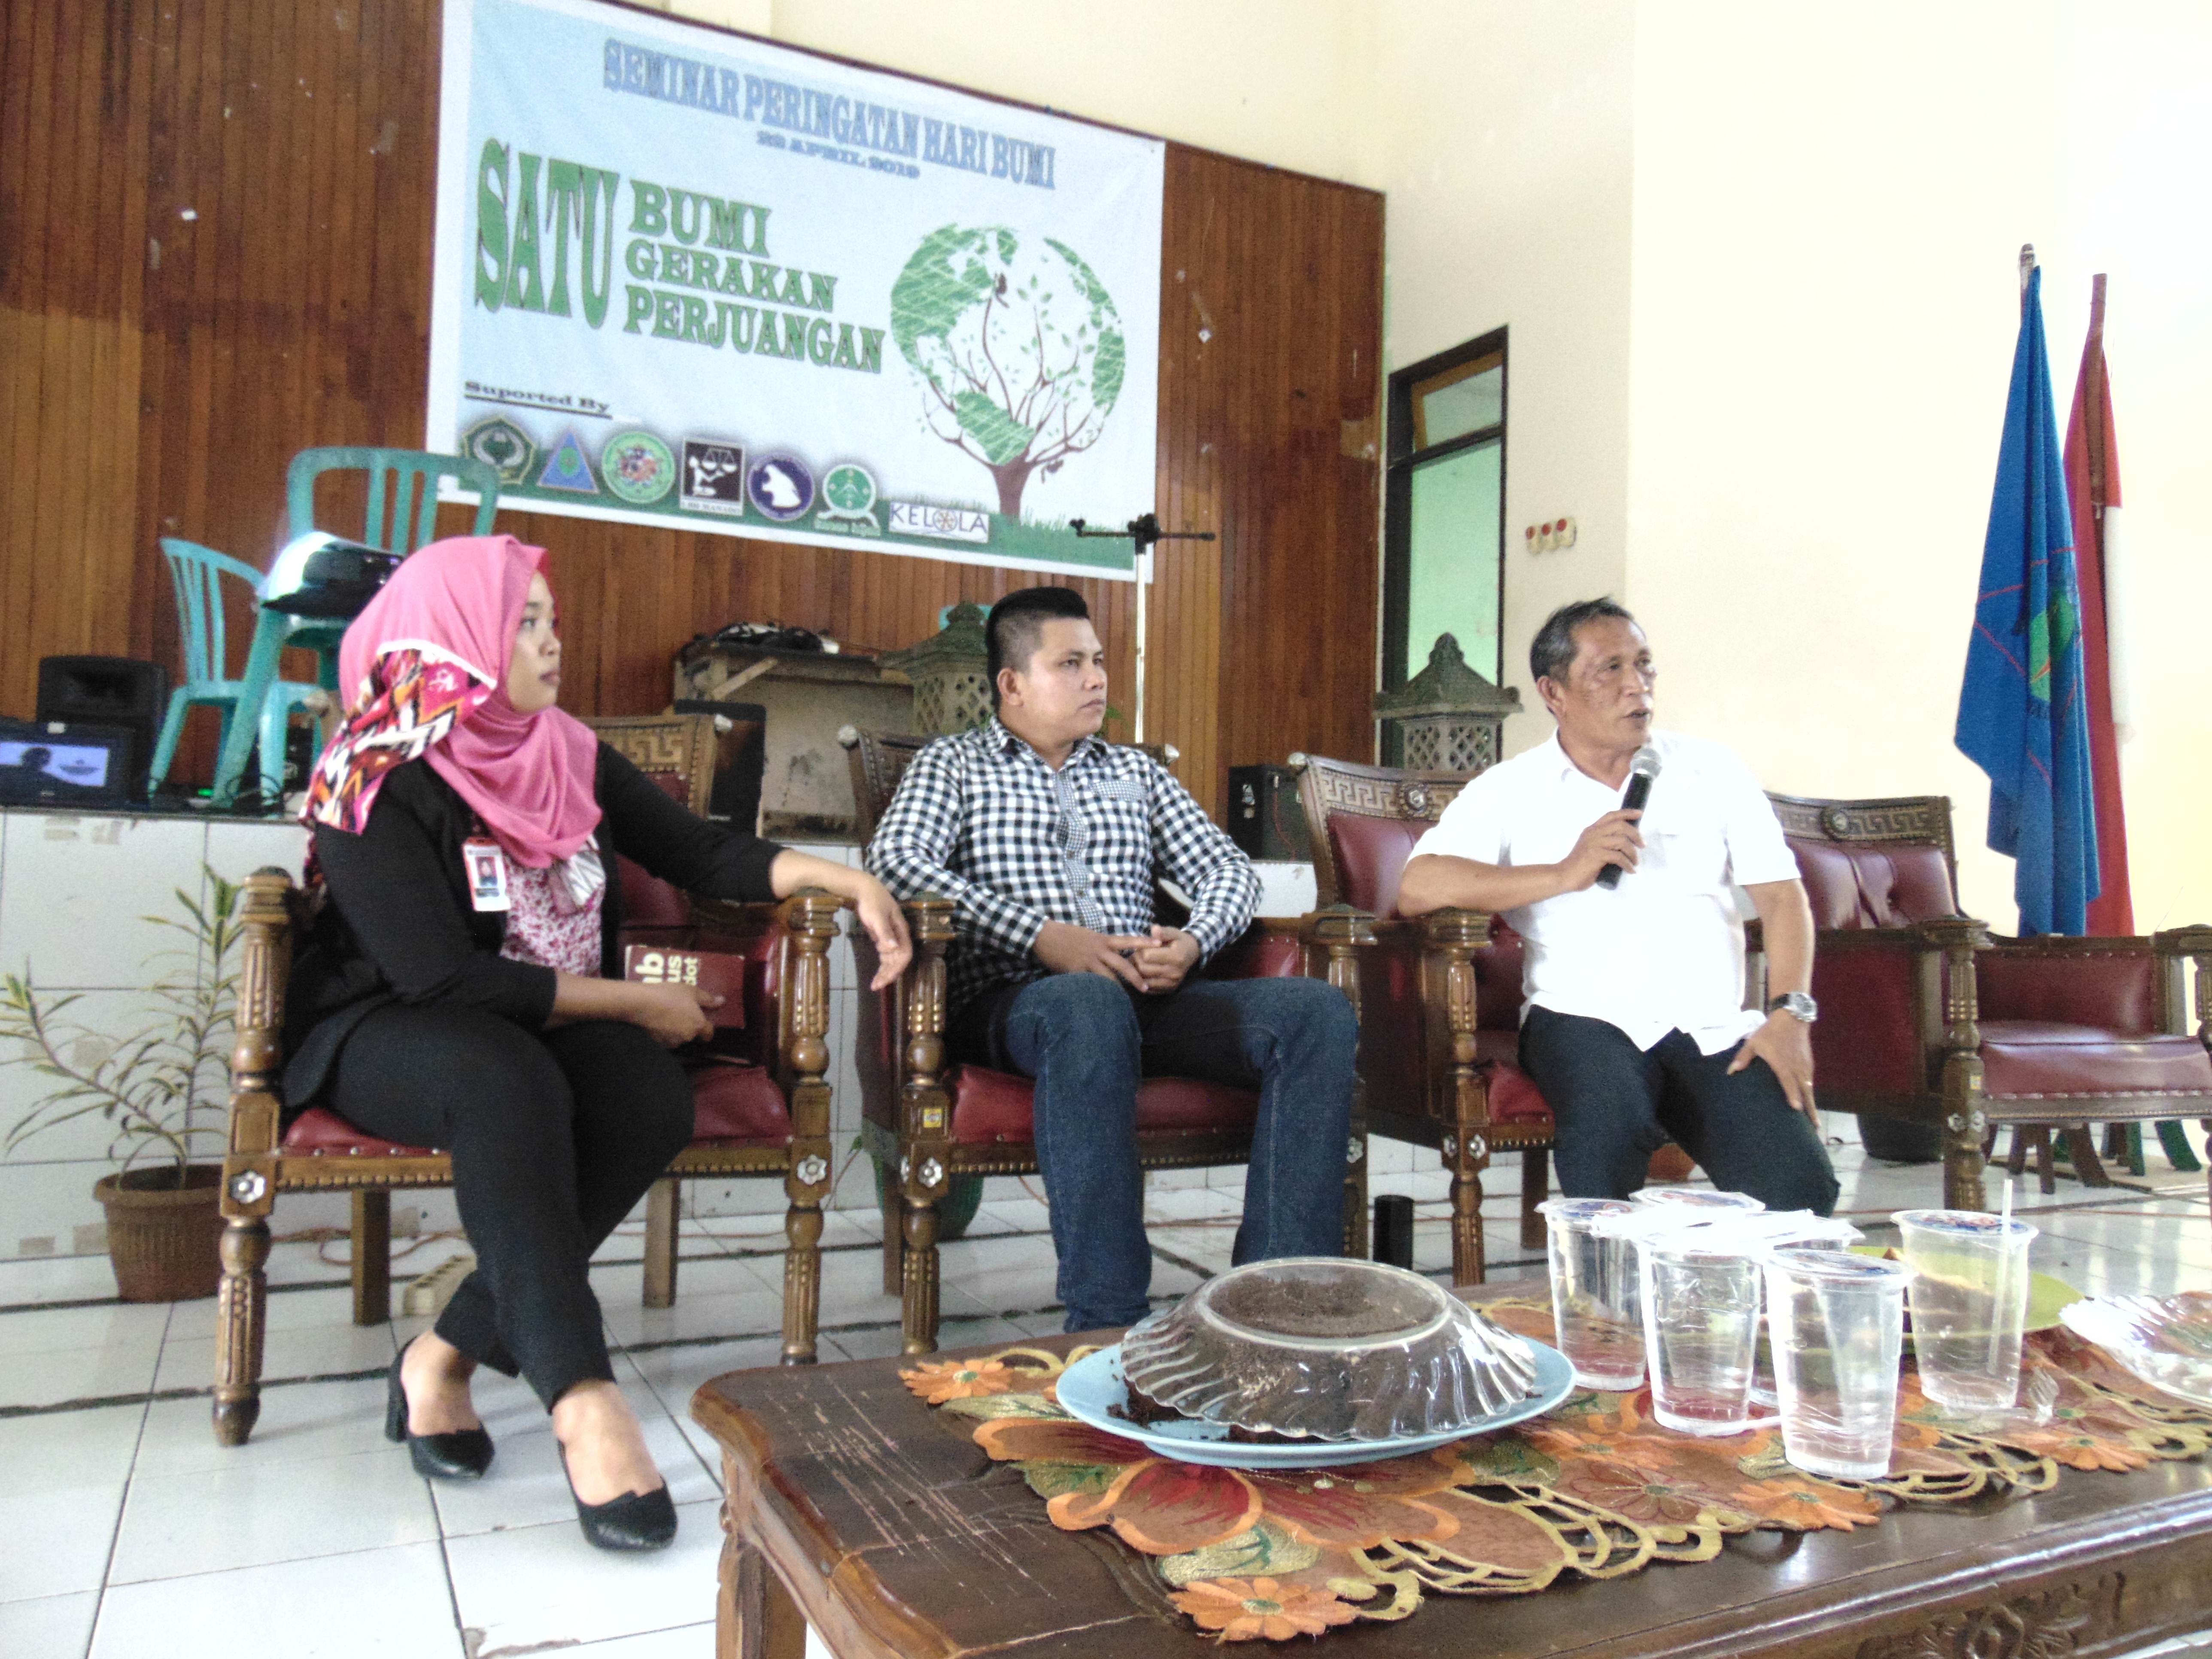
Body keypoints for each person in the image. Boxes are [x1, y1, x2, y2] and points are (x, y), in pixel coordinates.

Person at [284, 535, 911, 1551]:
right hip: (384, 1025)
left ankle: (441, 1359)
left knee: (642, 1096)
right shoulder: (368, 770)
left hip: (540, 1018)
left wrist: (842, 878)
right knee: (503, 1078)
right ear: (457, 635)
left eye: (550, 620)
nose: (549, 641)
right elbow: (437, 977)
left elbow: (700, 850)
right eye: (521, 621)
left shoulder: (564, 751)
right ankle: (583, 1401)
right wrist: (627, 1000)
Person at [866, 586, 1358, 1332]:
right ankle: (1107, 1321)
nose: (1098, 678)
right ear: (1013, 684)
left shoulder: (1136, 774)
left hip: (1143, 994)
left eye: (1098, 662)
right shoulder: (953, 766)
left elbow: (1229, 872)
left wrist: (1191, 945)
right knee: (1083, 1005)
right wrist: (1042, 937)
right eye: (1072, 663)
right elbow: (897, 862)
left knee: (1315, 1012)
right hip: (1015, 999)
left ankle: (1272, 1305)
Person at [1398, 597, 1837, 1214]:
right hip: (1581, 1017)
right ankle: (1602, 1300)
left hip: (1710, 1026)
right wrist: (1563, 872)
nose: (1638, 687)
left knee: (1801, 1187)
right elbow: (1419, 885)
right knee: (1609, 1135)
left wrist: (1790, 1014)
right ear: (1555, 693)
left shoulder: (1712, 769)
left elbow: (1783, 898)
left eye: (1645, 665)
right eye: (1611, 669)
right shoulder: (1511, 788)